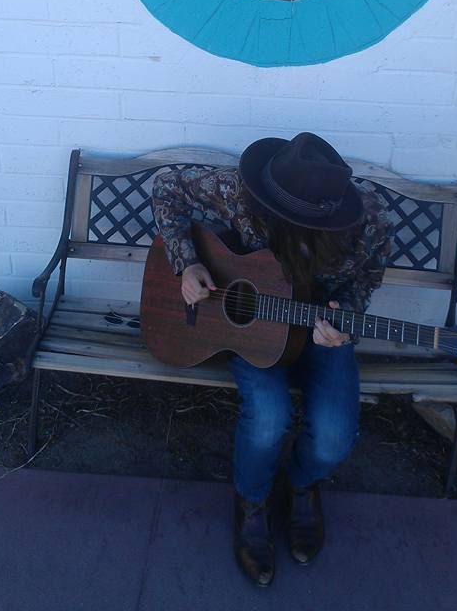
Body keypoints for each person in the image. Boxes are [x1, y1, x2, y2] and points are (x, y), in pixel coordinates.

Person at [151, 132, 393, 587]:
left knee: (335, 437)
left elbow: (366, 281)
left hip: (321, 330)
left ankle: (301, 486)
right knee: (268, 418)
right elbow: (166, 185)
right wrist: (187, 262)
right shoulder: (239, 191)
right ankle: (252, 501)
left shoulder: (371, 220)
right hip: (252, 329)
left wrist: (345, 318)